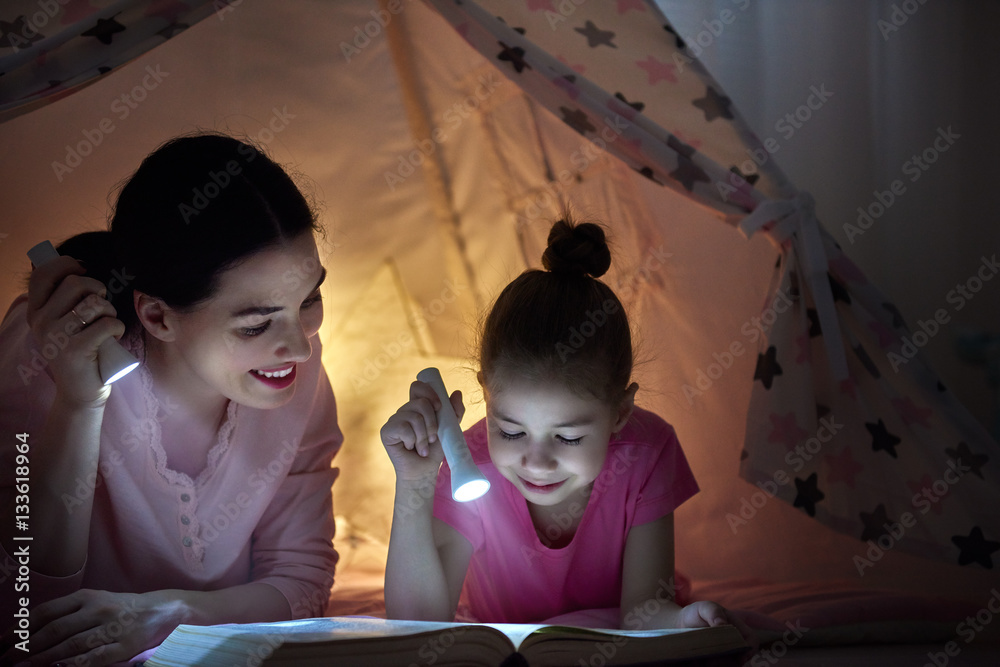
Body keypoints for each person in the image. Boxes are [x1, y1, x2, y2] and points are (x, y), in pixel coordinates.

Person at [0, 134, 342, 666]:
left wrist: (173, 614)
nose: (300, 345)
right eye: (256, 323)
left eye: (310, 300)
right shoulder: (47, 347)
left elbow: (303, 583)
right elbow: (19, 611)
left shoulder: (294, 365)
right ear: (157, 316)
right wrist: (79, 404)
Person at [381, 218, 750, 635]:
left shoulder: (648, 452)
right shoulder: (469, 463)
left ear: (620, 412)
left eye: (569, 437)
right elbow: (419, 621)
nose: (537, 463)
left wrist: (686, 620)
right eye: (511, 432)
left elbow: (646, 610)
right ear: (485, 394)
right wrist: (413, 482)